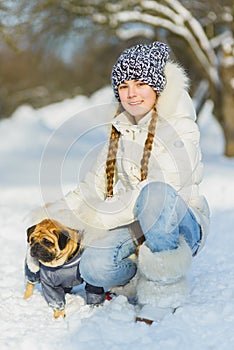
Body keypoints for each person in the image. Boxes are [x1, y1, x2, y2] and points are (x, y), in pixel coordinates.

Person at [26, 41, 210, 323]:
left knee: (155, 193)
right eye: (123, 86)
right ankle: (137, 274)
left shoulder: (181, 127)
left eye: (140, 83)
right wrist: (53, 216)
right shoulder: (120, 132)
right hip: (133, 222)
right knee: (94, 269)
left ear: (159, 87)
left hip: (177, 221)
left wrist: (101, 215)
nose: (131, 93)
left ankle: (163, 293)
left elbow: (165, 187)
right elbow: (91, 187)